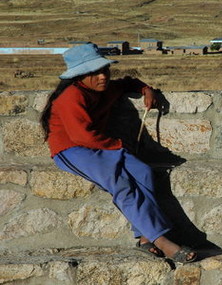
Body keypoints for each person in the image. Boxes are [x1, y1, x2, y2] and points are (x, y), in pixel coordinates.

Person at [39, 43, 196, 263]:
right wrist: (118, 144)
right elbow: (81, 136)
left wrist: (146, 89)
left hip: (102, 146)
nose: (102, 76)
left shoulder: (105, 88)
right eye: (94, 72)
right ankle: (162, 240)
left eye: (104, 70)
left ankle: (143, 237)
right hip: (72, 150)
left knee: (143, 173)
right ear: (80, 76)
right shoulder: (71, 97)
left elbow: (127, 82)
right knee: (121, 183)